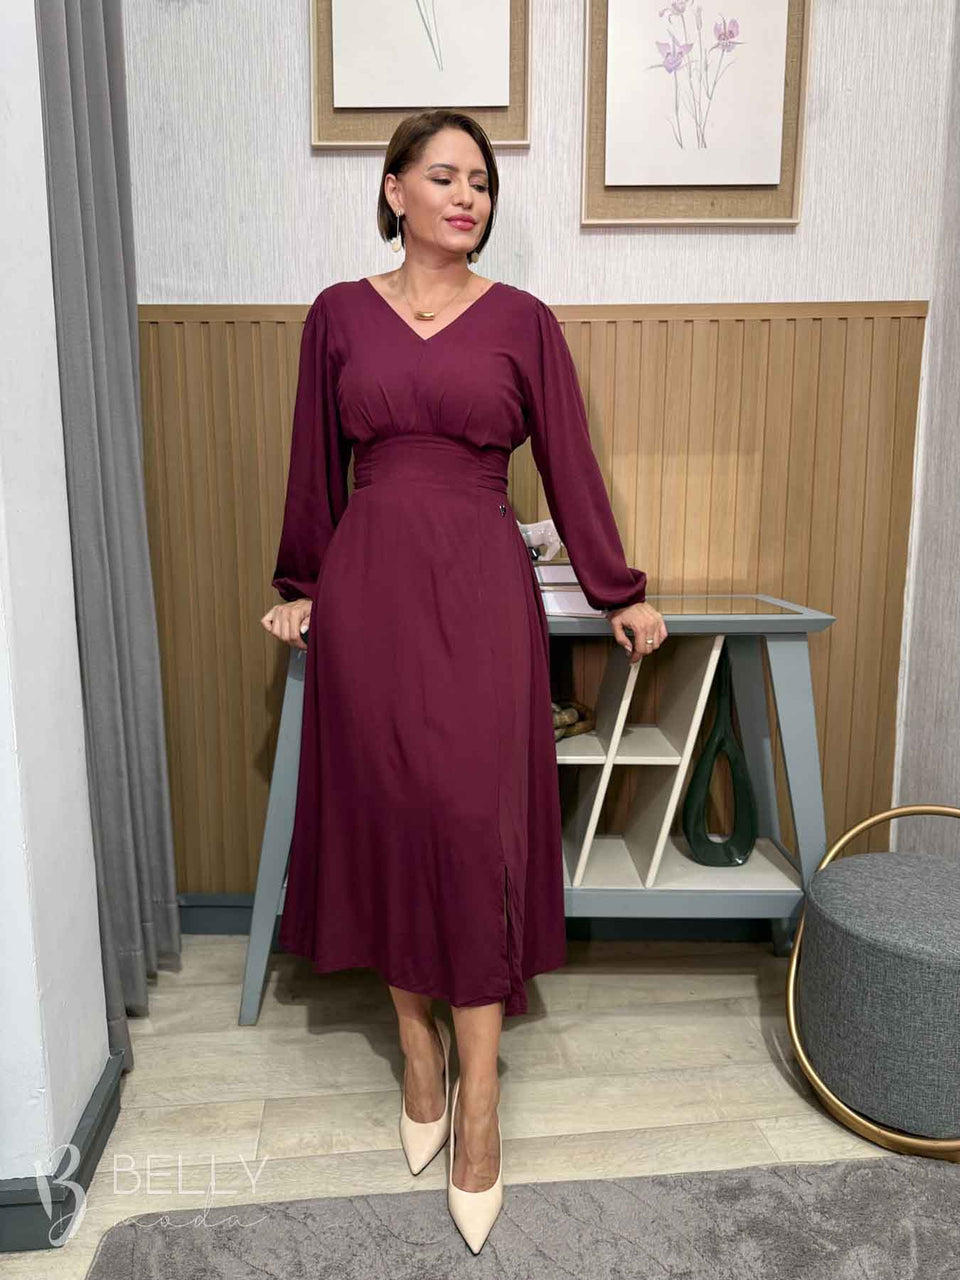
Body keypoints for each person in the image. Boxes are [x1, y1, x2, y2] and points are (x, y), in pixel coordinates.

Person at [260, 109, 668, 1254]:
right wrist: (301, 583)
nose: (466, 196)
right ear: (394, 191)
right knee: (392, 816)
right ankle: (418, 1044)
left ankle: (480, 1095)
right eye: (442, 176)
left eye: (480, 182)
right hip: (369, 592)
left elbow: (570, 464)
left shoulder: (524, 321)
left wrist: (618, 587)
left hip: (483, 590)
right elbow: (314, 465)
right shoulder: (338, 315)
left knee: (474, 821)